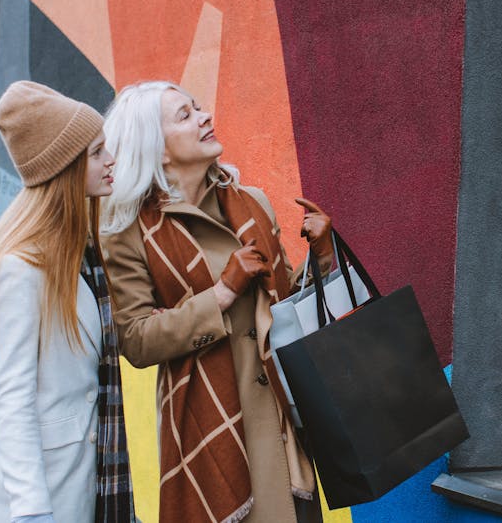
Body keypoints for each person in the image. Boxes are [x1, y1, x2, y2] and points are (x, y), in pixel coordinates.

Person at [99, 81, 334, 523]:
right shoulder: (129, 232)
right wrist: (222, 292)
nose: (205, 117)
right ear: (159, 148)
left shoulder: (252, 204)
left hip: (283, 426)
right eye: (185, 116)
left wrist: (322, 259)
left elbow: (283, 310)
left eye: (199, 108)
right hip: (210, 432)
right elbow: (135, 339)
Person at [0, 80, 135, 523]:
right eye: (97, 153)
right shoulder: (21, 268)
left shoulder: (80, 257)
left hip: (79, 484)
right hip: (42, 501)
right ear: (66, 169)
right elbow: (11, 400)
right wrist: (31, 512)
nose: (111, 161)